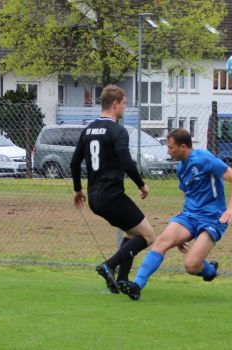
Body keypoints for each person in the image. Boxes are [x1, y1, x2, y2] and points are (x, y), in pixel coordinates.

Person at [119, 128, 232, 300]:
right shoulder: (180, 168)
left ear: (183, 147)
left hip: (213, 218)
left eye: (171, 147)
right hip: (189, 215)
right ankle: (137, 285)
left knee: (191, 265)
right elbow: (189, 194)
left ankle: (209, 270)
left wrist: (230, 209)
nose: (168, 151)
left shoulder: (204, 158)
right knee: (162, 241)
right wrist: (181, 234)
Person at [70, 84, 155, 294]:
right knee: (149, 236)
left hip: (95, 198)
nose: (126, 107)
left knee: (131, 232)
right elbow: (127, 163)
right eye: (124, 103)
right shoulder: (117, 130)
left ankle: (121, 279)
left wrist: (77, 189)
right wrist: (142, 185)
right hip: (112, 196)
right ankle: (109, 265)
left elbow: (74, 163)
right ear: (115, 104)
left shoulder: (88, 129)